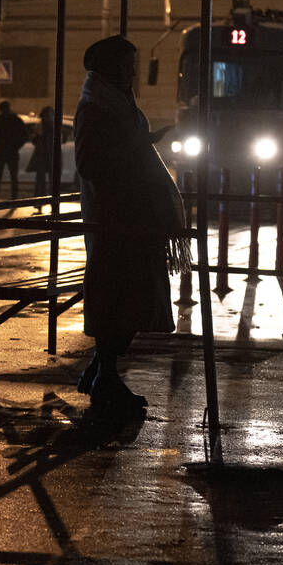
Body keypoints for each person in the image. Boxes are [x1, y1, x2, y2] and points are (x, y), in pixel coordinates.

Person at [73, 35, 189, 414]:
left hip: (133, 219)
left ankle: (101, 371)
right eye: (125, 66)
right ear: (108, 68)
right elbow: (91, 164)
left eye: (133, 67)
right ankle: (105, 376)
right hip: (115, 221)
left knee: (132, 296)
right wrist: (142, 143)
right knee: (120, 297)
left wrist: (148, 140)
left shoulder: (117, 103)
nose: (131, 73)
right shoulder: (96, 108)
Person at [0, 100, 28, 201]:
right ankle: (13, 198)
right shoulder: (16, 121)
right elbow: (24, 136)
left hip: (2, 152)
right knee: (13, 177)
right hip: (11, 152)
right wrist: (15, 146)